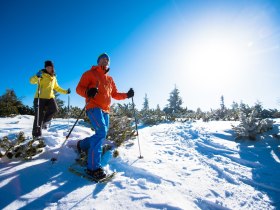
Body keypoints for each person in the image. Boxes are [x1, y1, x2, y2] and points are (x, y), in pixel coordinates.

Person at [76, 53, 134, 179]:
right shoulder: (90, 73)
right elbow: (78, 88)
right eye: (103, 59)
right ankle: (92, 168)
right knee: (102, 131)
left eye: (107, 60)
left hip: (105, 110)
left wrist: (127, 95)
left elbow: (115, 94)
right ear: (98, 61)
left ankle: (82, 145)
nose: (105, 61)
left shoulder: (110, 79)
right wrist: (88, 92)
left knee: (101, 133)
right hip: (93, 106)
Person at [30, 60, 70, 139]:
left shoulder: (54, 77)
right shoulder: (41, 74)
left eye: (50, 67)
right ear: (45, 67)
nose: (49, 68)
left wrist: (66, 91)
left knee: (54, 109)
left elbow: (57, 87)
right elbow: (31, 81)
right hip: (39, 97)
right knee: (38, 117)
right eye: (47, 67)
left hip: (50, 97)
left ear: (52, 68)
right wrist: (36, 76)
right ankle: (36, 135)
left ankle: (44, 122)